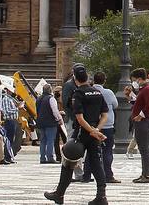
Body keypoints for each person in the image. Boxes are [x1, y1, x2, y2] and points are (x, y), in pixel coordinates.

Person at [46, 64, 107, 205]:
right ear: (87, 77)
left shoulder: (78, 94)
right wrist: (97, 130)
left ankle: (59, 194)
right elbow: (105, 114)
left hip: (81, 133)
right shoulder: (97, 92)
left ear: (75, 78)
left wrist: (91, 131)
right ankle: (101, 196)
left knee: (68, 160)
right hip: (94, 133)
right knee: (97, 164)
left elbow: (79, 118)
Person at [82, 71, 120, 185]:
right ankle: (108, 175)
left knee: (90, 151)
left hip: (92, 125)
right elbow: (116, 105)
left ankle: (86, 175)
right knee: (107, 150)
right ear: (104, 80)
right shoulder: (108, 92)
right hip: (107, 124)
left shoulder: (89, 91)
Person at [130, 69, 149, 183]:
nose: (134, 82)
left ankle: (147, 175)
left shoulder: (147, 89)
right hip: (144, 122)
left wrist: (140, 116)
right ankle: (144, 174)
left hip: (145, 122)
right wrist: (130, 96)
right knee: (143, 149)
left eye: (134, 80)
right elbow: (139, 103)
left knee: (144, 149)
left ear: (139, 78)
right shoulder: (145, 89)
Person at [37, 82, 62, 164]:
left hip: (40, 122)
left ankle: (42, 158)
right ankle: (50, 157)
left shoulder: (38, 98)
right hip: (50, 122)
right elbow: (55, 111)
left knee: (43, 140)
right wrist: (59, 119)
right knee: (50, 140)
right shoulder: (51, 98)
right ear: (50, 90)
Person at [0, 85, 20, 164]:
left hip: (12, 120)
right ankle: (7, 157)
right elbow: (7, 110)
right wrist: (17, 108)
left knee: (11, 139)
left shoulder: (10, 99)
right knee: (9, 139)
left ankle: (9, 156)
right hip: (10, 121)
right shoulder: (6, 99)